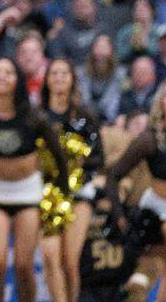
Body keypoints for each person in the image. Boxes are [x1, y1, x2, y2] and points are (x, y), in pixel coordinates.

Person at [0, 58, 67, 302]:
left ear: (18, 80)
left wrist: (62, 189)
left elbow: (59, 155)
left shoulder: (33, 117)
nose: (2, 76)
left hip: (27, 194)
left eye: (8, 72)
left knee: (24, 265)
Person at [39, 58, 104, 302]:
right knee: (49, 256)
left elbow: (99, 156)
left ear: (72, 79)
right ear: (46, 80)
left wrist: (79, 169)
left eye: (64, 73)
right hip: (46, 194)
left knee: (69, 261)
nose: (59, 78)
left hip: (79, 193)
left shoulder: (85, 115)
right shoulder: (38, 116)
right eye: (54, 73)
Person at [104, 82, 166, 297]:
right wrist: (120, 217)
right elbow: (113, 176)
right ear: (160, 103)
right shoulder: (149, 139)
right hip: (156, 212)